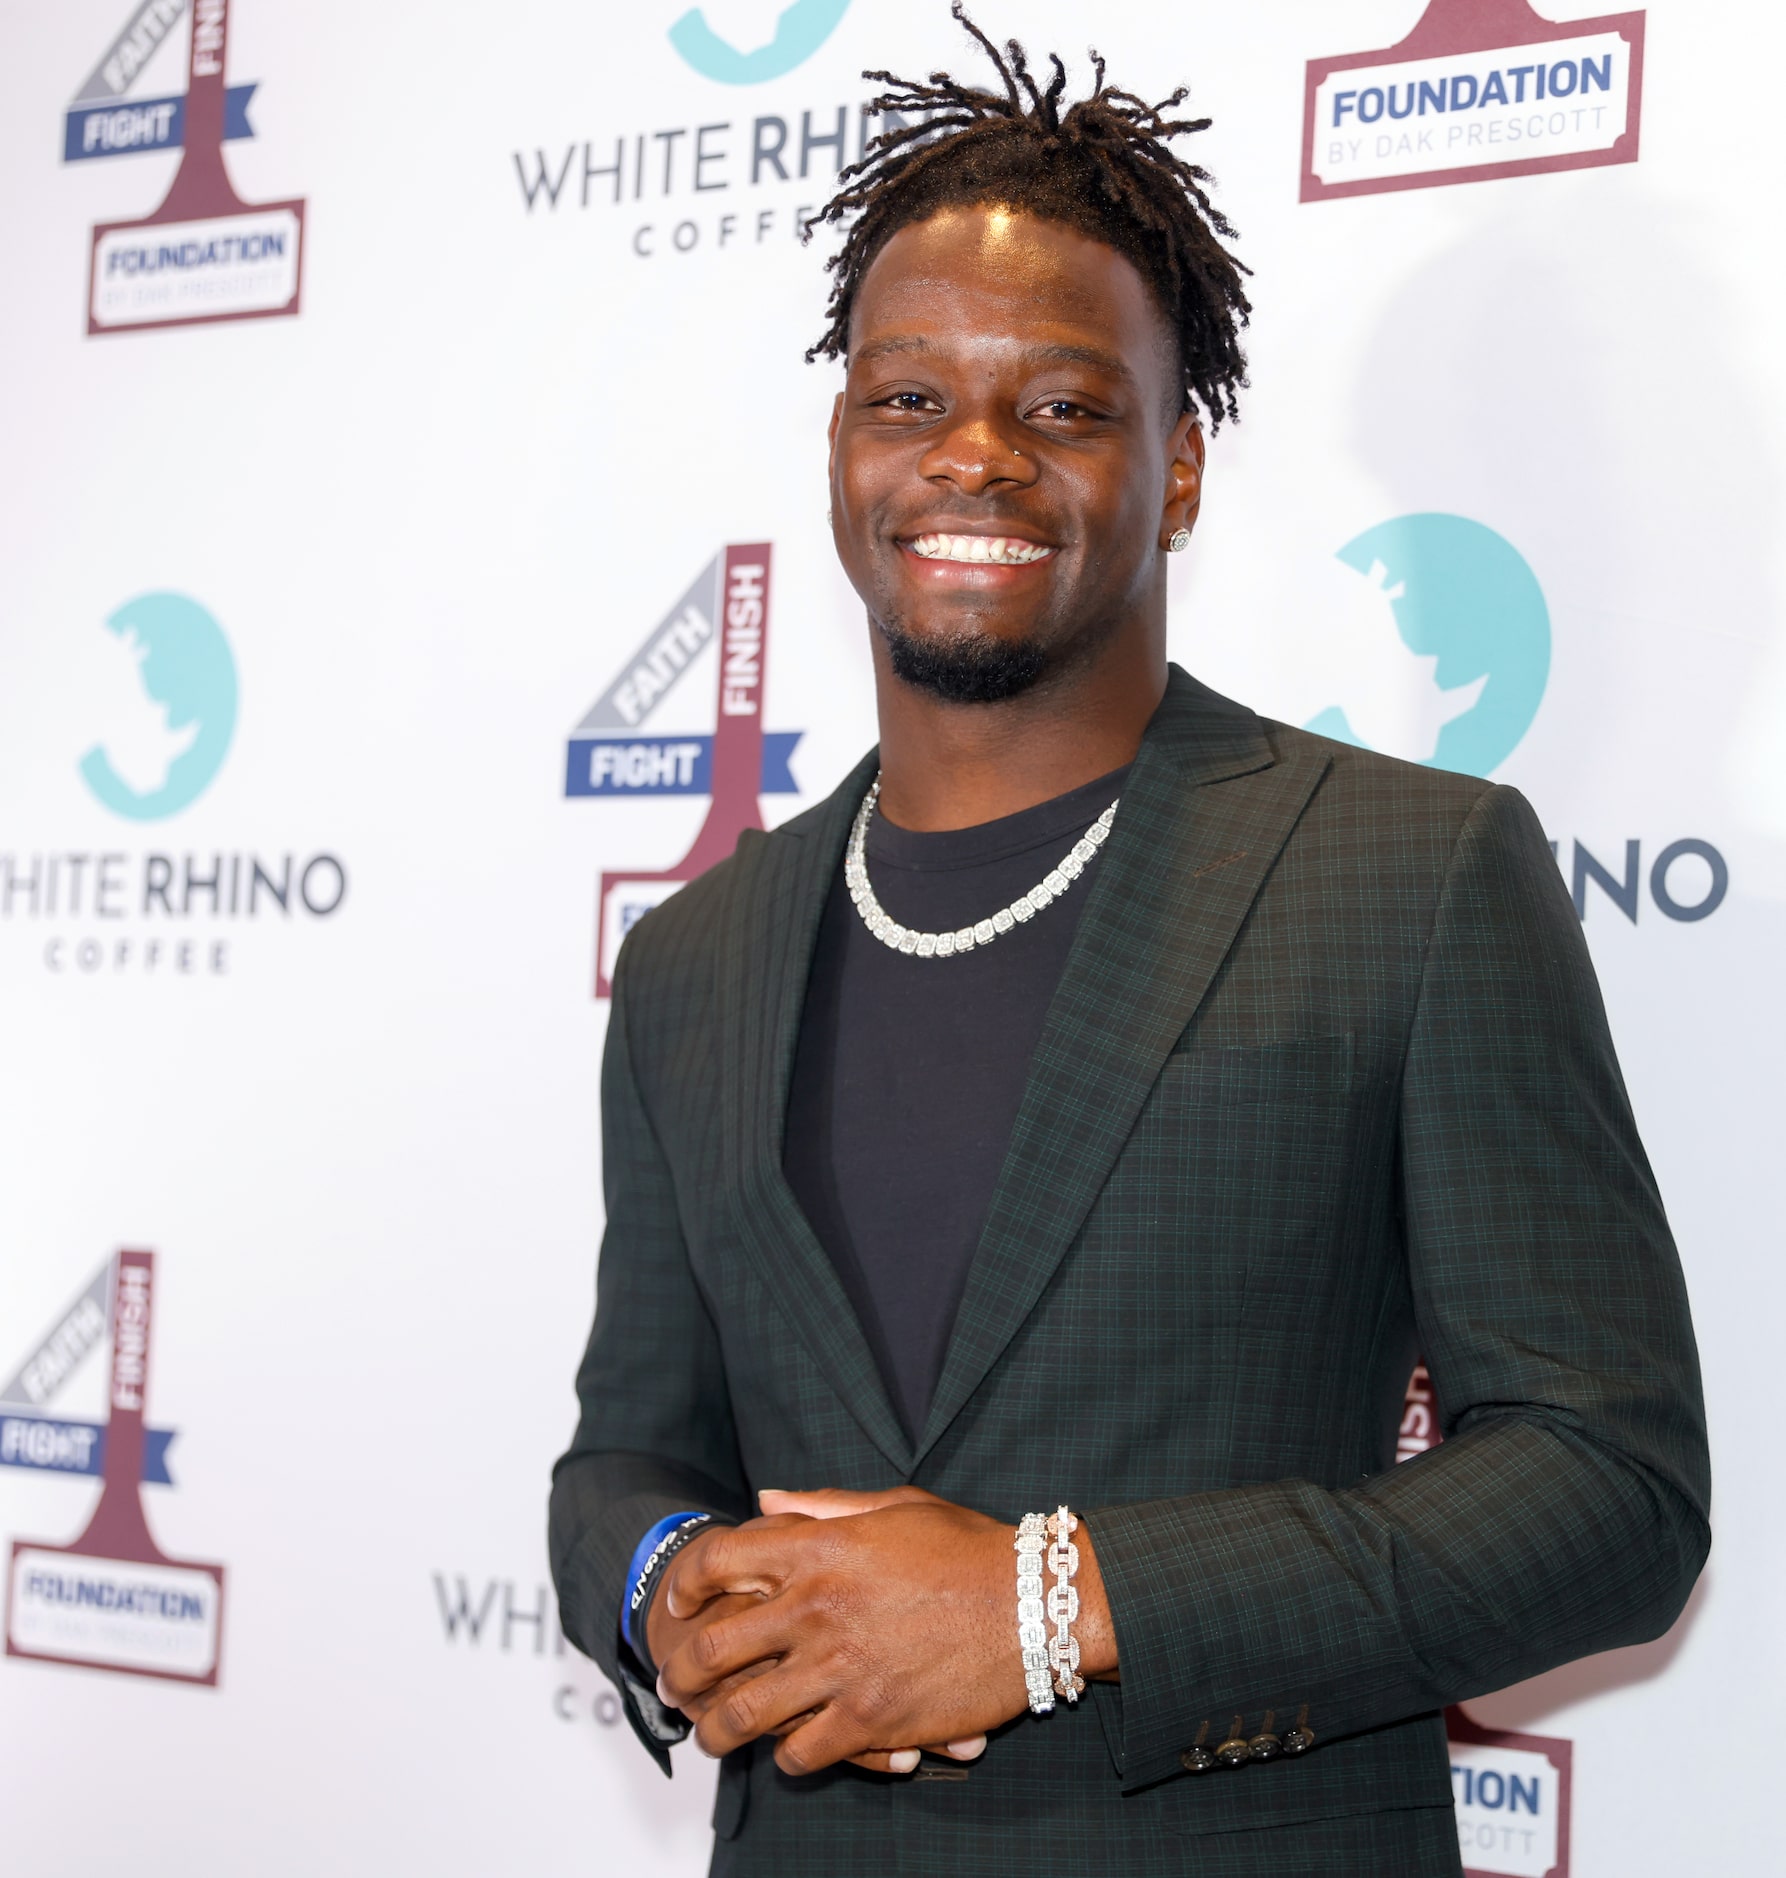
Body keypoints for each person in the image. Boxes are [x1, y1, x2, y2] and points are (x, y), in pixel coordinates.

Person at [549, 11, 1710, 1873]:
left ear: (1174, 470)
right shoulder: (697, 949)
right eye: (907, 394)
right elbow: (628, 1449)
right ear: (844, 443)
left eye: (1067, 404)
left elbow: (1614, 1492)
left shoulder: (1407, 873)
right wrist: (665, 1578)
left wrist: (1048, 1600)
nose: (976, 456)